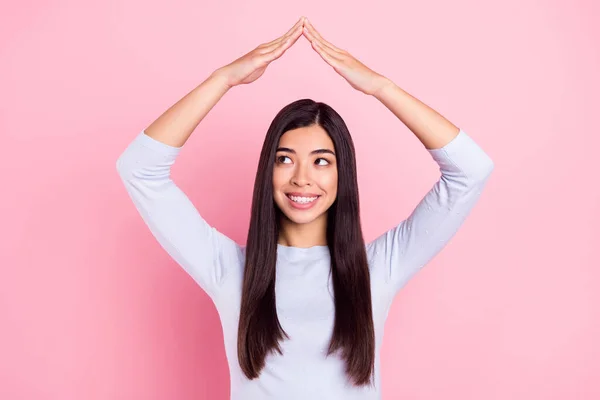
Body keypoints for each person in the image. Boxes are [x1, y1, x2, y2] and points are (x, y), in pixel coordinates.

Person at [116, 16, 494, 400]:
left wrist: (382, 88)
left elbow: (470, 170)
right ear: (268, 169)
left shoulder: (379, 268)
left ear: (342, 173)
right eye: (284, 159)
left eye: (321, 161)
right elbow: (139, 170)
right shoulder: (229, 270)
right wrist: (223, 79)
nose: (301, 178)